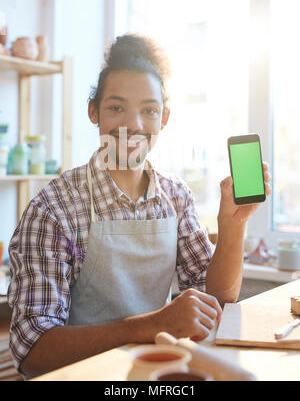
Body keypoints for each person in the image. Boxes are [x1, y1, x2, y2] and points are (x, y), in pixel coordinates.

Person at [8, 34, 271, 379]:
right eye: (116, 107)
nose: (133, 124)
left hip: (151, 374)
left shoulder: (176, 197)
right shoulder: (54, 208)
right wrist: (151, 325)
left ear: (163, 119)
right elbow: (34, 351)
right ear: (93, 112)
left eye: (148, 110)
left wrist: (233, 225)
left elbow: (215, 298)